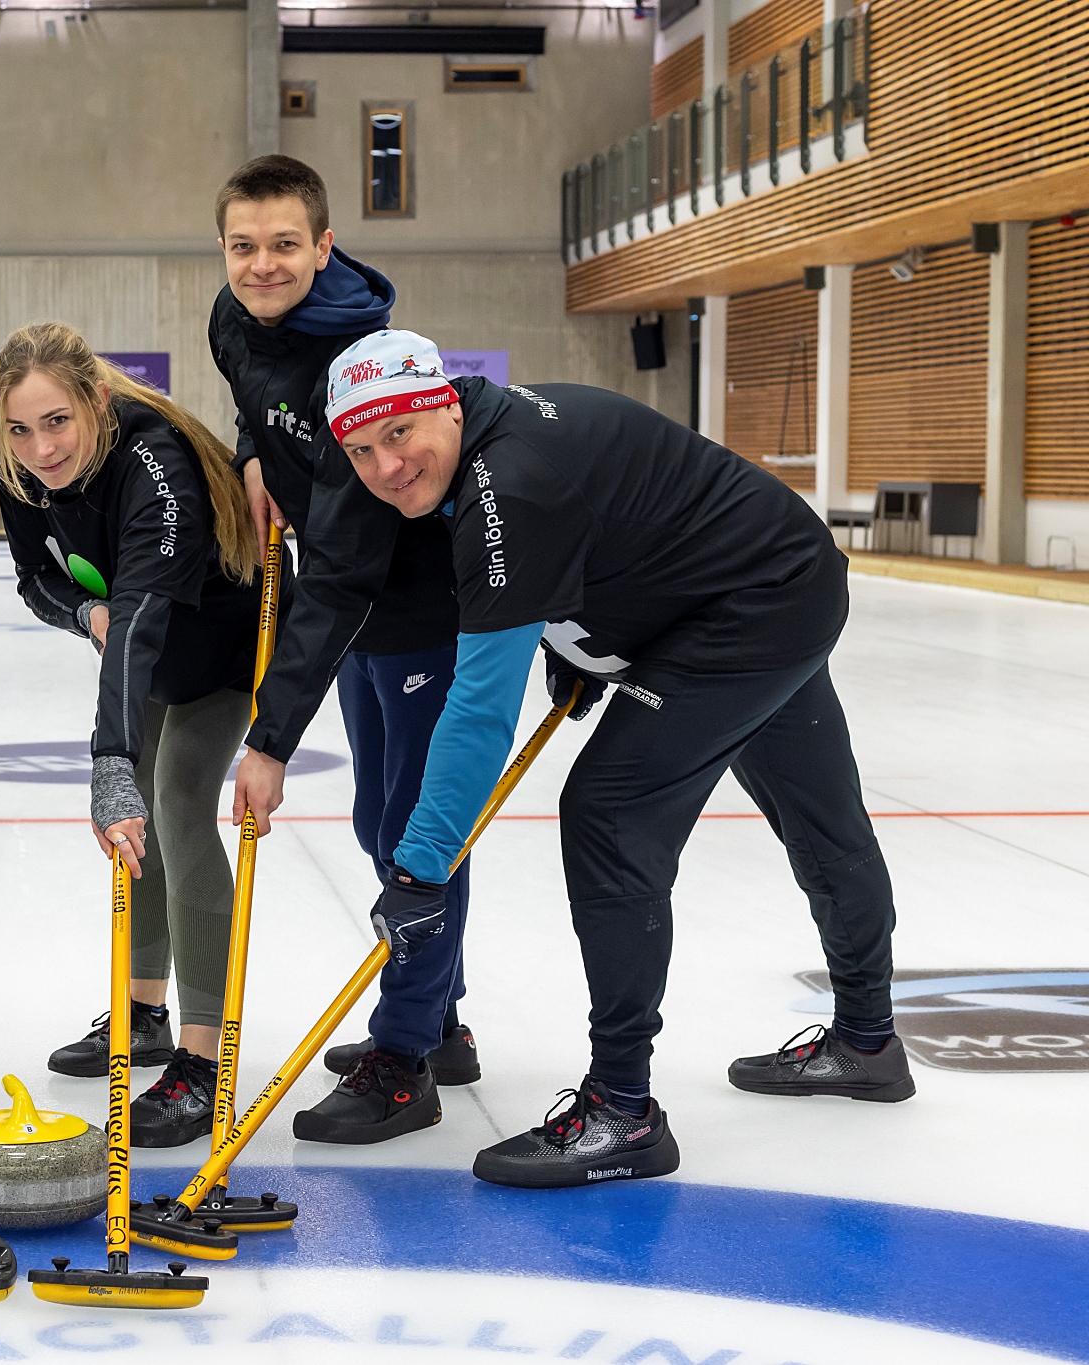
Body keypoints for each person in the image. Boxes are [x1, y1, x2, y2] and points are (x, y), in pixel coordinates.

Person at [325, 328, 909, 1189]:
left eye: (400, 433)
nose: (387, 466)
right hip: (765, 579)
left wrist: (420, 870)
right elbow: (621, 526)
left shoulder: (507, 483)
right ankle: (867, 1040)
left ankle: (621, 1109)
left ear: (444, 401)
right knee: (816, 807)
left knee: (609, 809)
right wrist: (584, 641)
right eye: (361, 450)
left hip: (754, 605)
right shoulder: (495, 436)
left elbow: (480, 712)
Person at [207, 154, 476, 1145]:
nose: (262, 265)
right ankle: (438, 1017)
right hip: (353, 608)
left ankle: (404, 1060)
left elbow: (346, 570)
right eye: (243, 246)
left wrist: (269, 736)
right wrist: (253, 457)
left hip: (412, 606)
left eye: (285, 244)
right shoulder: (231, 318)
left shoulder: (360, 360)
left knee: (416, 832)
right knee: (378, 819)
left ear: (324, 245)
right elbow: (253, 407)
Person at [0, 322, 261, 1147]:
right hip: (145, 651)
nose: (41, 447)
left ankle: (204, 1060)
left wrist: (108, 758)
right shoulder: (20, 466)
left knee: (176, 797)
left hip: (222, 648)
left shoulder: (155, 463)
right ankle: (144, 1012)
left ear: (97, 402)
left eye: (57, 422)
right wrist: (84, 611)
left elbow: (143, 613)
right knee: (135, 808)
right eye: (20, 428)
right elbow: (36, 578)